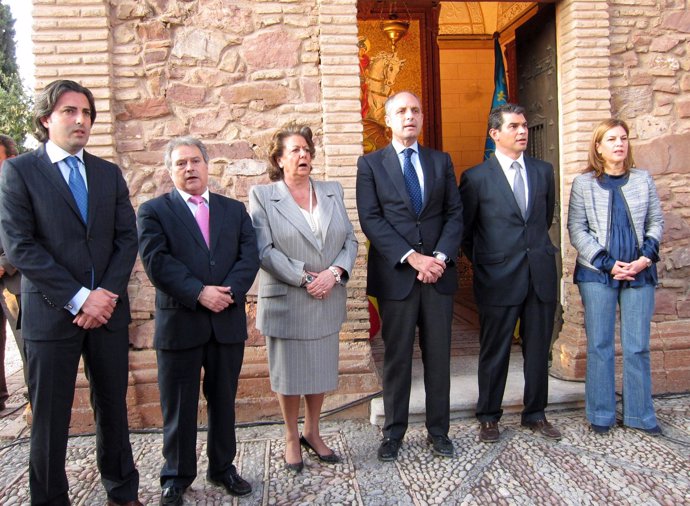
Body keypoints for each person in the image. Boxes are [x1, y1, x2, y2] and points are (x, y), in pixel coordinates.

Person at [0, 80, 142, 505]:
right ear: (46, 119)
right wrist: (81, 297)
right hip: (50, 313)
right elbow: (19, 245)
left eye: (86, 113)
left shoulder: (107, 173)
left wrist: (105, 296)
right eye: (69, 111)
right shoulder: (19, 171)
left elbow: (126, 239)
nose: (81, 120)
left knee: (113, 409)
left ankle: (122, 490)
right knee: (50, 418)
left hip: (108, 314)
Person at [137, 136, 260, 504]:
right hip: (181, 323)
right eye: (180, 163)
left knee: (224, 400)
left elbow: (248, 257)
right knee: (178, 404)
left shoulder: (234, 210)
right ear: (169, 170)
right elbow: (157, 263)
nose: (189, 168)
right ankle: (176, 475)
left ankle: (223, 468)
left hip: (226, 322)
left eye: (195, 161)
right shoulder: (154, 211)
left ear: (207, 165)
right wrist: (199, 292)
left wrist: (230, 293)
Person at [356, 91, 463, 461]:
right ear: (388, 120)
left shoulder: (441, 161)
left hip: (438, 275)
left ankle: (439, 431)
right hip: (397, 277)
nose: (410, 116)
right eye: (401, 111)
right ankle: (394, 433)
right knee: (398, 357)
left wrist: (440, 258)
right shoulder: (370, 165)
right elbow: (372, 219)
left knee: (438, 357)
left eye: (416, 110)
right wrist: (414, 258)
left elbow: (454, 214)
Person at [249, 122, 357, 473]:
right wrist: (305, 276)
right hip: (288, 298)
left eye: (307, 149)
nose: (303, 155)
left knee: (320, 369)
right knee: (289, 375)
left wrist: (335, 273)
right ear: (279, 159)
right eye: (295, 150)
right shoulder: (263, 196)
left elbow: (350, 242)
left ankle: (313, 430)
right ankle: (291, 437)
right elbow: (263, 250)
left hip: (326, 295)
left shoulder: (331, 190)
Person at [459, 103, 561, 444]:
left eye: (525, 126)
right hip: (498, 277)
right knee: (495, 349)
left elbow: (543, 220)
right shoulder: (475, 178)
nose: (522, 132)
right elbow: (467, 232)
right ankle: (488, 415)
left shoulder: (544, 171)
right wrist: (490, 263)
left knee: (538, 349)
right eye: (514, 126)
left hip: (539, 275)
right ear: (495, 134)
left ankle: (536, 413)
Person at [567, 119, 664, 436]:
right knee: (600, 344)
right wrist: (607, 263)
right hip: (598, 273)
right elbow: (577, 229)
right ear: (598, 146)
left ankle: (639, 413)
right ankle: (601, 413)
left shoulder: (643, 179)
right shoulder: (583, 184)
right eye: (611, 139)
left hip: (639, 271)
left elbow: (655, 222)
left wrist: (644, 258)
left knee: (637, 346)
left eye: (623, 138)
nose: (619, 143)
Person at [0, 134, 24, 413]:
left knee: (25, 344)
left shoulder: (17, 192)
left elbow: (26, 234)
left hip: (12, 279)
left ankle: (35, 398)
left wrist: (6, 263)